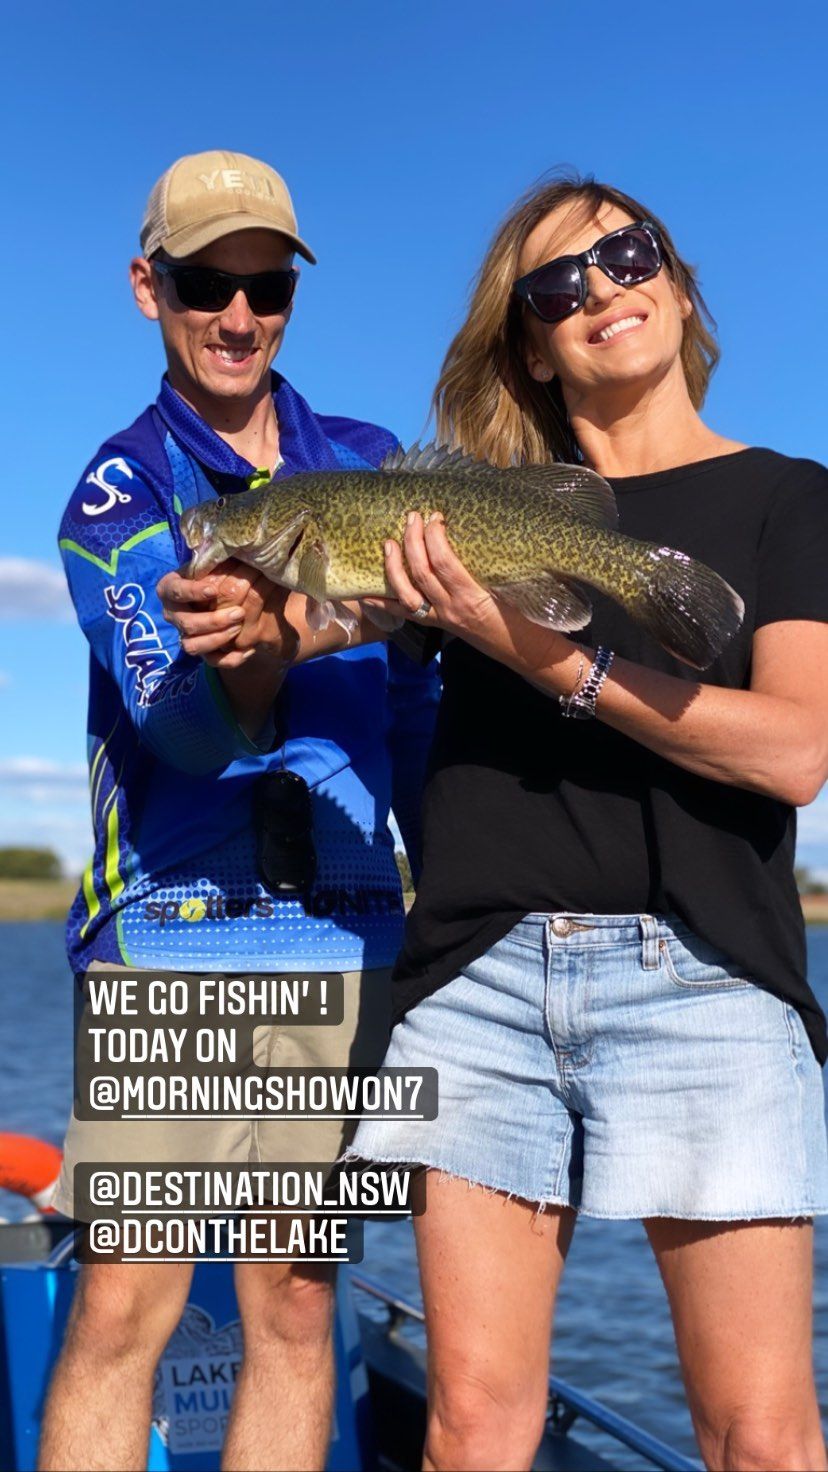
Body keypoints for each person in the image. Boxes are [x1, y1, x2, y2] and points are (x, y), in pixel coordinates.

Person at [349, 176, 828, 1472]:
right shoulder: (460, 522)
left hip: (708, 979)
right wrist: (257, 612)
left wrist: (550, 660)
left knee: (761, 1439)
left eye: (629, 254)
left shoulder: (789, 499)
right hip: (477, 986)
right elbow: (318, 615)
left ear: (675, 280)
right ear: (530, 347)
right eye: (559, 286)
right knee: (469, 1429)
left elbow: (796, 751)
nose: (604, 290)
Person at [40, 149, 439, 1472]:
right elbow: (181, 729)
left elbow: (417, 714)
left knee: (297, 1305)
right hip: (177, 929)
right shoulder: (119, 491)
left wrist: (449, 893)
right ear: (147, 286)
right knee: (124, 1308)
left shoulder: (369, 467)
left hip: (345, 933)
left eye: (267, 287)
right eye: (206, 281)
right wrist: (269, 653)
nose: (237, 314)